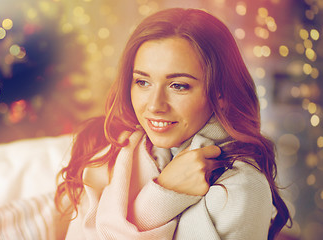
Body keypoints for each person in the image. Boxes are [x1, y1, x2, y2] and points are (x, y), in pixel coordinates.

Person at [55, 8, 291, 239]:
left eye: (178, 85)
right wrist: (165, 191)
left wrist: (161, 199)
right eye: (142, 82)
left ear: (219, 91)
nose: (155, 105)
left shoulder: (241, 189)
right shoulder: (109, 148)